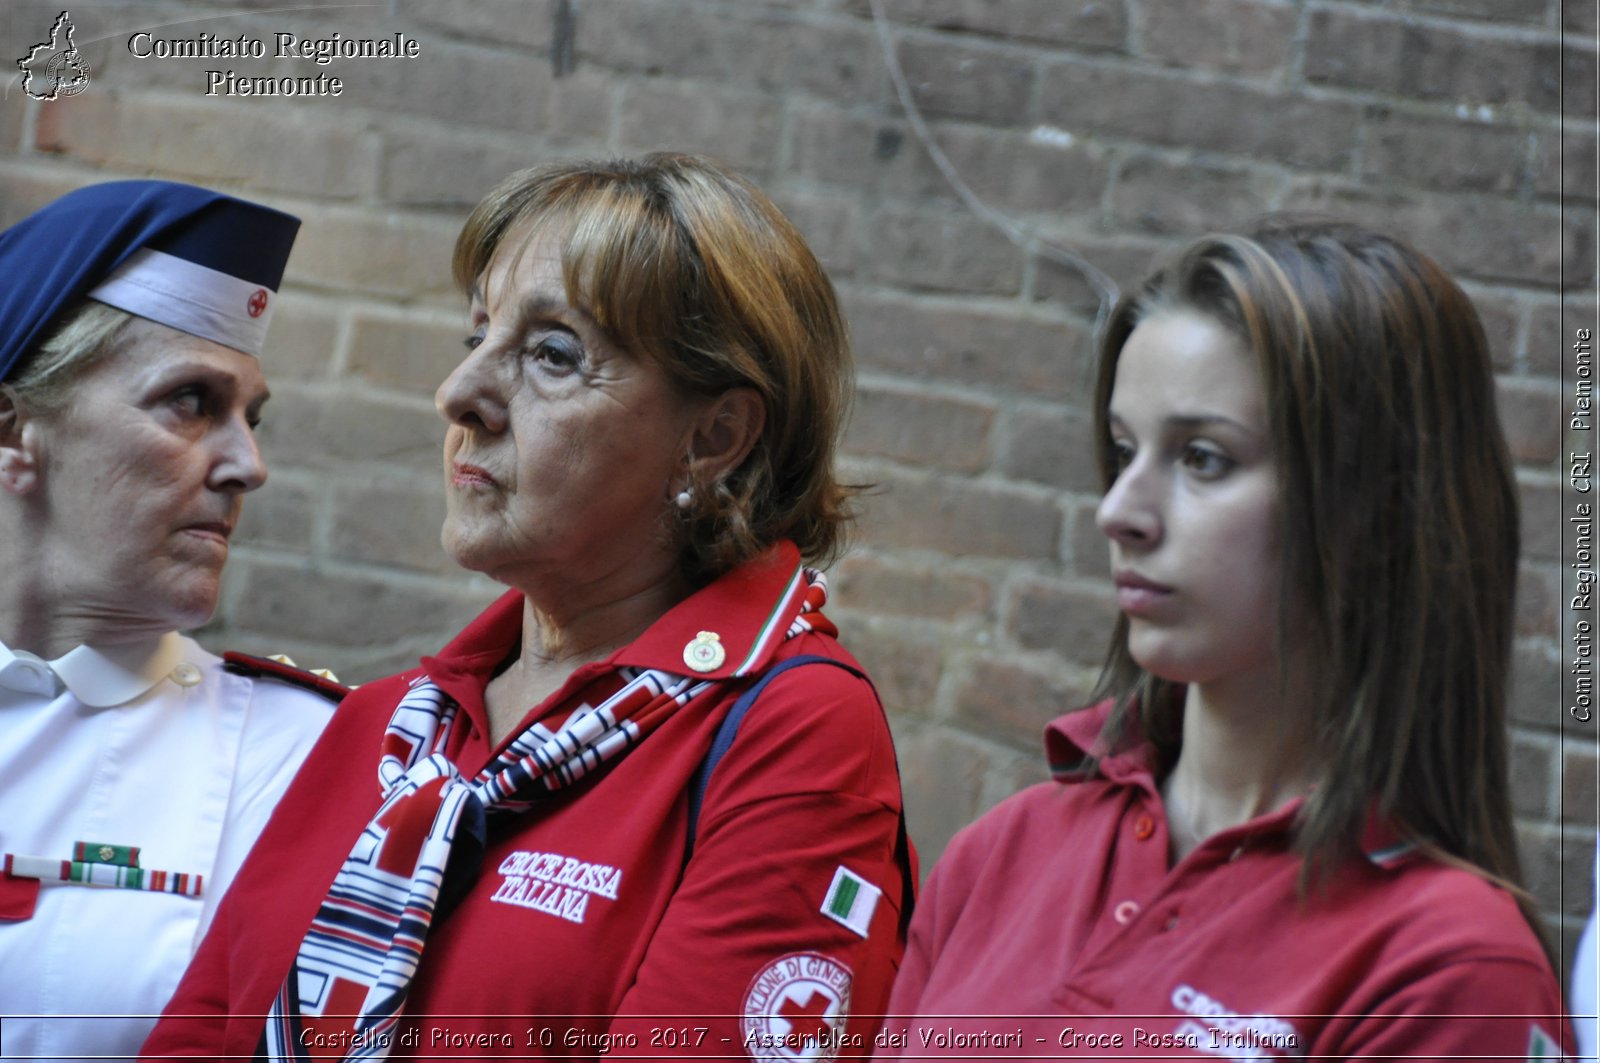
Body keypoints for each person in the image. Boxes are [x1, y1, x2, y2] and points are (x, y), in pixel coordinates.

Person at [143, 153, 911, 1060]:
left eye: (552, 354)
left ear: (714, 436)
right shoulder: (385, 726)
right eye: (477, 337)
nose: (459, 394)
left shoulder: (792, 728)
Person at [883, 220, 1572, 1059]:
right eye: (1124, 450)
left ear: (1381, 513)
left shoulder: (1452, 972)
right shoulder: (1005, 852)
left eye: (1203, 457)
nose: (1120, 511)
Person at [0, 180, 339, 1059]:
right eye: (191, 401)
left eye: (251, 418)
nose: (248, 465)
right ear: (13, 429)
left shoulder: (300, 759)